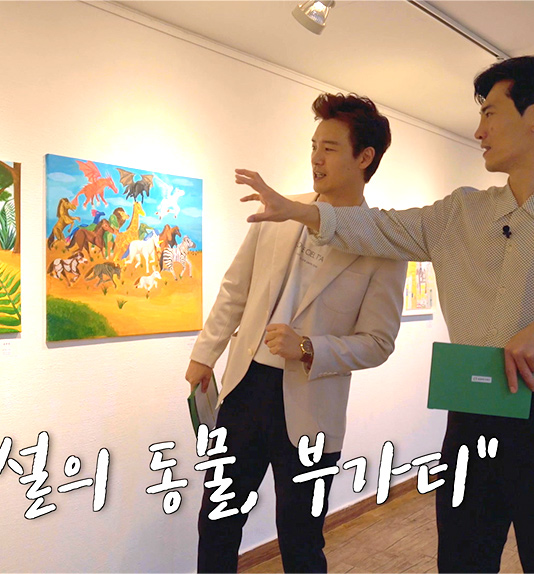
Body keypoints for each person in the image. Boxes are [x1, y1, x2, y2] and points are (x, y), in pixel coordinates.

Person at [235, 56, 534, 573]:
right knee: (460, 562)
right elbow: (377, 229)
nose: (478, 131)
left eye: (490, 113)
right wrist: (300, 210)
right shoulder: (461, 213)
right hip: (470, 423)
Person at [186, 93, 406, 573]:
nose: (316, 158)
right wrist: (206, 354)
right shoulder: (282, 210)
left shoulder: (383, 244)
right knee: (217, 521)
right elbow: (235, 289)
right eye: (313, 146)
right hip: (245, 389)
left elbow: (379, 342)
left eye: (330, 147)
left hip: (311, 400)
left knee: (301, 538)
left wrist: (308, 348)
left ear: (364, 157)